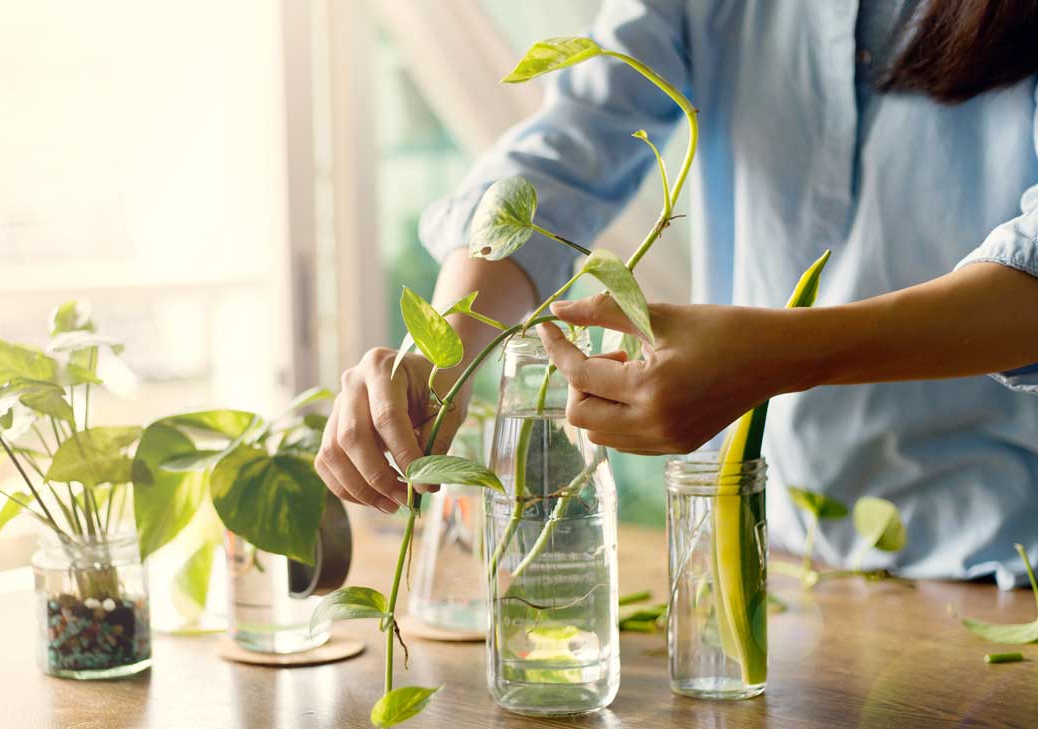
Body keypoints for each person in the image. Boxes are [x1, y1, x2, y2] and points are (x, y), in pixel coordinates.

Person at [315, 0, 1038, 587]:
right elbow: (574, 138)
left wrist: (777, 357)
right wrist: (447, 346)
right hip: (773, 561)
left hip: (1008, 568)